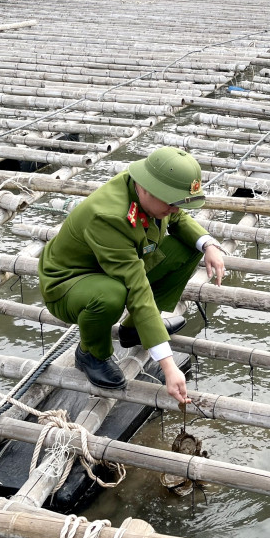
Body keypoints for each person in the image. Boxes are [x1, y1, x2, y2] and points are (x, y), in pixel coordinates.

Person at [38, 147, 225, 402]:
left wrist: (208, 245)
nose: (174, 209)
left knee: (188, 247)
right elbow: (136, 287)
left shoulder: (149, 194)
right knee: (110, 296)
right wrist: (169, 366)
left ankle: (135, 329)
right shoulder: (108, 216)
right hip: (69, 283)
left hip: (114, 269)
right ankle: (91, 353)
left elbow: (179, 219)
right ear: (147, 188)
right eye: (171, 202)